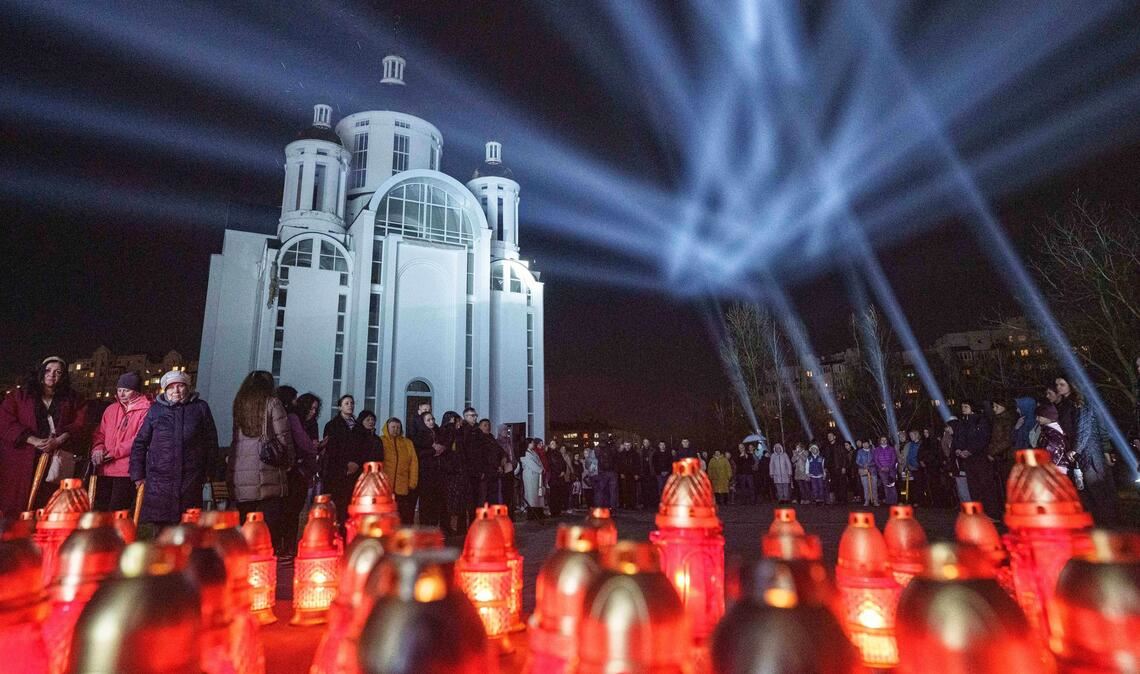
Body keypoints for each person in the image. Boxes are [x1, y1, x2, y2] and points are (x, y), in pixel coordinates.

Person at [130, 370, 220, 530]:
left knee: (188, 531)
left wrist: (209, 471)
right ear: (165, 390)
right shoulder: (155, 410)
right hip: (160, 481)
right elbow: (140, 443)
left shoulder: (200, 408)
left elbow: (211, 441)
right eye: (171, 387)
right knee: (161, 533)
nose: (176, 391)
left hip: (190, 479)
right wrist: (138, 475)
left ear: (188, 387)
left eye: (180, 386)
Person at [0, 357, 89, 514]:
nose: (52, 375)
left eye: (58, 372)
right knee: (17, 503)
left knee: (47, 502)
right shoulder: (19, 396)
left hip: (54, 458)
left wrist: (58, 440)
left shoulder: (72, 398)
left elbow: (79, 423)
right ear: (41, 371)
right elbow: (5, 421)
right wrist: (33, 440)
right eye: (48, 370)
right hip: (22, 459)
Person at [229, 370, 294, 553]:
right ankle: (264, 569)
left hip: (241, 475)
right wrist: (289, 460)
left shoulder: (239, 405)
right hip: (269, 471)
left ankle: (244, 570)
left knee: (246, 531)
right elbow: (283, 437)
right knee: (268, 531)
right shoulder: (273, 403)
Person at [1056, 377, 1119, 524]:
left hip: (1089, 452)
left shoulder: (1081, 402)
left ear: (1071, 385)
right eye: (1057, 384)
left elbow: (1084, 428)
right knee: (1087, 490)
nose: (1058, 387)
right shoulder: (1066, 404)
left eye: (1061, 384)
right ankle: (1101, 521)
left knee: (1097, 489)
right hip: (1079, 453)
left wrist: (1076, 449)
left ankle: (1109, 523)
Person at [90, 372, 150, 511]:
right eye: (119, 390)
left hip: (126, 469)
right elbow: (100, 433)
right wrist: (98, 448)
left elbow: (139, 438)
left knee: (118, 511)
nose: (122, 394)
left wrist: (113, 452)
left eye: (127, 390)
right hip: (104, 468)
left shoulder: (146, 409)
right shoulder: (111, 409)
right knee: (99, 510)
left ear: (136, 391)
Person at [282, 391, 322, 555]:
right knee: (289, 509)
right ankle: (285, 545)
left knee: (296, 509)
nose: (313, 412)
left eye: (315, 409)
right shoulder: (294, 419)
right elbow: (304, 442)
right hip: (293, 469)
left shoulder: (312, 424)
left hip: (305, 470)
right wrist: (314, 447)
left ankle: (291, 545)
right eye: (311, 408)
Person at [322, 395, 367, 526]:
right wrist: (345, 465)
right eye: (346, 403)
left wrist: (357, 463)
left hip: (355, 471)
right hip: (338, 472)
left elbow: (363, 448)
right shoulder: (332, 425)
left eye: (352, 403)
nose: (350, 405)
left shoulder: (359, 427)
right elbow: (331, 449)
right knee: (338, 507)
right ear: (340, 406)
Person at [953, 400, 999, 519]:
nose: (963, 408)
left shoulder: (981, 421)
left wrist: (970, 450)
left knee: (984, 485)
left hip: (980, 457)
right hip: (968, 459)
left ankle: (990, 512)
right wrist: (958, 449)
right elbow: (958, 437)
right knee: (973, 486)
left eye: (966, 406)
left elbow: (982, 439)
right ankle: (978, 511)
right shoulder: (962, 422)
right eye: (962, 406)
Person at [412, 411, 448, 530]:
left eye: (432, 419)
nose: (431, 422)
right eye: (428, 420)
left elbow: (445, 446)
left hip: (439, 471)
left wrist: (441, 449)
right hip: (426, 472)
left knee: (436, 501)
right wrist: (433, 451)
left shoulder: (438, 432)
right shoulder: (420, 435)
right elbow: (418, 453)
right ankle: (425, 527)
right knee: (426, 500)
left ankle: (434, 526)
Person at [380, 417, 419, 524]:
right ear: (387, 428)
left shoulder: (407, 443)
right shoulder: (381, 441)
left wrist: (412, 483)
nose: (395, 429)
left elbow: (414, 463)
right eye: (393, 427)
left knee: (403, 516)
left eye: (398, 427)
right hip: (385, 487)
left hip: (403, 487)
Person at [438, 411, 468, 534]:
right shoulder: (447, 432)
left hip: (458, 471)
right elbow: (447, 446)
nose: (459, 425)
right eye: (457, 422)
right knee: (448, 502)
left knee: (457, 501)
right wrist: (451, 427)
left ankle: (455, 527)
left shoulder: (458, 434)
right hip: (449, 472)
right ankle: (446, 526)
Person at [1035, 403, 1070, 473]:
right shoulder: (1050, 430)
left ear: (1048, 417)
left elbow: (1051, 455)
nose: (1036, 419)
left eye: (1039, 416)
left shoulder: (1052, 434)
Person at [519, 438, 546, 520]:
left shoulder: (533, 452)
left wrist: (542, 468)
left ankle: (538, 512)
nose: (533, 444)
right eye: (532, 443)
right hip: (530, 475)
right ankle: (531, 514)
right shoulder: (525, 453)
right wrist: (540, 469)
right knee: (531, 495)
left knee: (537, 494)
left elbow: (539, 462)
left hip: (537, 475)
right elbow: (531, 463)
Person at [496, 425, 517, 512]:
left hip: (511, 468)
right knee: (504, 490)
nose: (505, 431)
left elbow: (512, 453)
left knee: (510, 491)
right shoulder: (498, 442)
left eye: (506, 430)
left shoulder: (509, 442)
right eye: (504, 430)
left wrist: (514, 462)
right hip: (503, 469)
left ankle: (510, 511)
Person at [546, 438, 569, 516]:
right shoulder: (548, 453)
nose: (554, 445)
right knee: (553, 494)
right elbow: (551, 465)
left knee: (559, 494)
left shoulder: (558, 452)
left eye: (554, 443)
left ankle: (558, 510)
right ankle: (554, 511)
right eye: (552, 443)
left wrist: (563, 471)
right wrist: (558, 472)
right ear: (549, 445)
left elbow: (563, 463)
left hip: (559, 477)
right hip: (553, 476)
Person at [872, 436, 898, 506]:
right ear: (880, 441)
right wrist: (881, 467)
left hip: (891, 469)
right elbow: (876, 459)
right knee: (885, 485)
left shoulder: (891, 449)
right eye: (882, 440)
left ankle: (894, 500)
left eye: (885, 440)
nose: (883, 441)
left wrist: (889, 467)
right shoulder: (876, 450)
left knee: (892, 485)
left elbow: (893, 458)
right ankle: (888, 501)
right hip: (881, 470)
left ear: (887, 441)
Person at [901, 430, 922, 505]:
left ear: (916, 435)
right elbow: (907, 455)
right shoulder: (910, 444)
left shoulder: (920, 444)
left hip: (917, 467)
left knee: (918, 485)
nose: (911, 437)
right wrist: (907, 464)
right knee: (911, 485)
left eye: (912, 435)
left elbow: (919, 455)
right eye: (910, 435)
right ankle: (910, 500)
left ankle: (918, 501)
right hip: (909, 466)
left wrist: (917, 464)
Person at [821, 432, 841, 504]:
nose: (829, 437)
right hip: (830, 468)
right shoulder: (827, 446)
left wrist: (844, 466)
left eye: (831, 436)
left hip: (838, 467)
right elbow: (826, 457)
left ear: (834, 437)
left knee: (840, 483)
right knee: (833, 483)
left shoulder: (839, 445)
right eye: (828, 436)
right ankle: (835, 499)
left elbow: (843, 456)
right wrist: (825, 467)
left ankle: (841, 499)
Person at [856, 440, 878, 507]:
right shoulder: (860, 452)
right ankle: (867, 500)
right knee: (865, 486)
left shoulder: (873, 451)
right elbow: (857, 461)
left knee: (874, 486)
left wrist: (869, 464)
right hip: (863, 470)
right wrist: (863, 465)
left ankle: (875, 500)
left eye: (866, 443)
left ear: (869, 444)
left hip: (873, 470)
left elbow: (876, 460)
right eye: (864, 443)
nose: (865, 445)